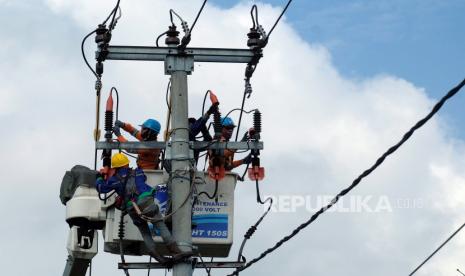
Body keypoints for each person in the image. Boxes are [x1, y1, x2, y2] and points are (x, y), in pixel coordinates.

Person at [95, 153, 190, 263]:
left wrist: (99, 177)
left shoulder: (113, 180)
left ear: (115, 167)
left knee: (144, 232)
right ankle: (176, 253)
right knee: (160, 225)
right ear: (126, 164)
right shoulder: (137, 172)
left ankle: (158, 257)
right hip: (145, 201)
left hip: (131, 207)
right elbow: (143, 178)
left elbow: (101, 188)